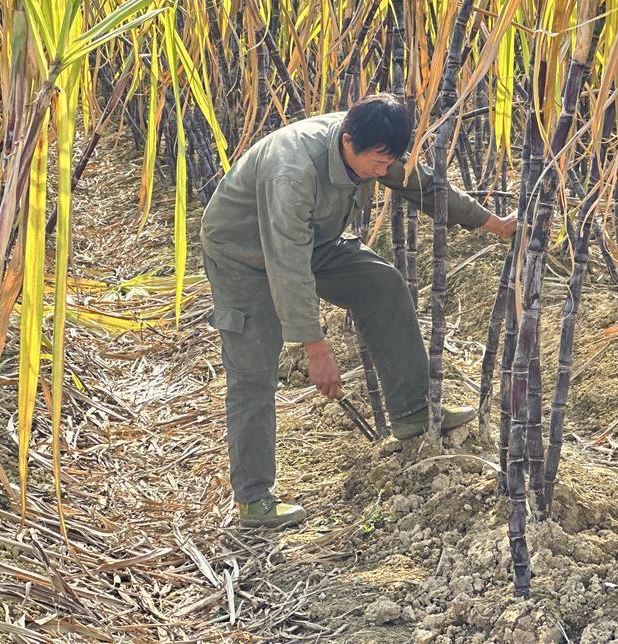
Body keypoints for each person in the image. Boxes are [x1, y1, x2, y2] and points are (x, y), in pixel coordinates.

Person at [199, 93, 517, 528]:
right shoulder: (293, 172)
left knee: (383, 285)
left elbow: (423, 184)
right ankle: (254, 499)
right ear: (348, 143)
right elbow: (287, 265)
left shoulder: (374, 144)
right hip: (244, 255)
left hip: (314, 240)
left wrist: (494, 224)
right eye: (378, 164)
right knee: (253, 371)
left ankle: (413, 413)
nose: (384, 173)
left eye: (390, 163)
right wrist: (315, 349)